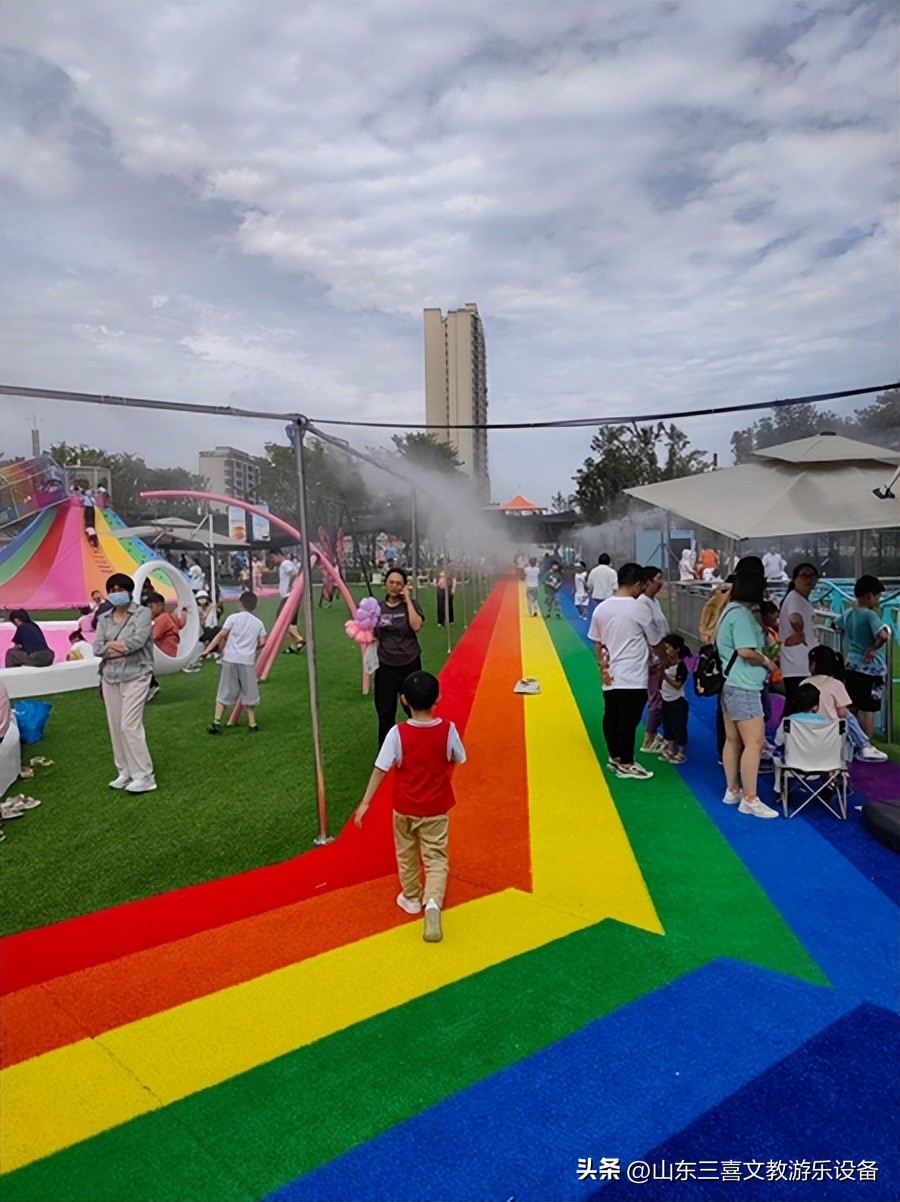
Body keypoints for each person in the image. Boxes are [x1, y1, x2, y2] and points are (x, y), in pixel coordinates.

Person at [354, 669, 466, 944]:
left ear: (403, 700)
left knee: (406, 853)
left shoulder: (397, 733)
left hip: (404, 806)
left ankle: (412, 897)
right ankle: (432, 903)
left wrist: (366, 802)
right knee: (436, 856)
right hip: (436, 807)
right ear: (437, 698)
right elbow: (459, 757)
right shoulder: (447, 729)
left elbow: (380, 768)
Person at [716, 562, 779, 818]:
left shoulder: (730, 610)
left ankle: (733, 789)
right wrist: (766, 661)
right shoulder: (741, 615)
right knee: (754, 742)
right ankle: (750, 798)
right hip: (745, 686)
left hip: (731, 684)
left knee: (733, 740)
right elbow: (745, 651)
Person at [587, 563, 657, 780]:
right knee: (629, 719)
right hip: (633, 674)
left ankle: (615, 756)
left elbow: (597, 642)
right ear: (637, 584)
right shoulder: (638, 608)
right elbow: (654, 639)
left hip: (612, 673)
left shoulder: (602, 608)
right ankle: (626, 762)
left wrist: (603, 666)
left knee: (612, 715)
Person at [93, 573, 156, 793]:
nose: (116, 593)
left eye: (121, 589)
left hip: (136, 674)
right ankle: (124, 771)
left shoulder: (142, 613)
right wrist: (118, 647)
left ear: (129, 591)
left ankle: (144, 775)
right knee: (115, 725)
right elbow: (97, 648)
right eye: (112, 590)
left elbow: (137, 642)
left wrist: (112, 646)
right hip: (110, 676)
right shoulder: (104, 618)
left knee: (130, 724)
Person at [803, 645, 887, 762]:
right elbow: (843, 713)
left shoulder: (803, 684)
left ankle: (864, 745)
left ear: (812, 665)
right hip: (831, 733)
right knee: (847, 717)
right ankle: (864, 745)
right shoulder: (836, 685)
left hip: (807, 731)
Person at [373, 568, 426, 749]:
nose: (394, 587)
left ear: (404, 586)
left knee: (414, 708)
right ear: (385, 583)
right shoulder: (378, 608)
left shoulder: (411, 605)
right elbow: (370, 632)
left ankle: (419, 744)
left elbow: (417, 626)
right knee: (385, 713)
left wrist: (408, 600)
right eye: (391, 582)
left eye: (399, 584)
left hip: (409, 663)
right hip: (386, 666)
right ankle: (387, 752)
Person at [835, 575, 891, 740]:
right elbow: (883, 635)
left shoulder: (849, 613)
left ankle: (854, 739)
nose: (878, 601)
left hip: (852, 665)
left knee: (855, 704)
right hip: (871, 668)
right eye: (878, 596)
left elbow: (835, 625)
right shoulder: (870, 616)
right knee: (869, 708)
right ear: (870, 596)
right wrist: (873, 648)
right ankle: (866, 744)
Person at [202, 592, 267, 733]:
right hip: (247, 661)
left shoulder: (232, 618)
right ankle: (252, 723)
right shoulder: (258, 623)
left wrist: (207, 650)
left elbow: (221, 635)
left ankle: (216, 721)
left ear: (240, 603)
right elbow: (263, 642)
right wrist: (252, 648)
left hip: (230, 659)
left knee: (225, 689)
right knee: (249, 691)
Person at [779, 563, 820, 715]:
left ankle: (785, 736)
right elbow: (795, 618)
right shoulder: (795, 599)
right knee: (797, 707)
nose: (808, 580)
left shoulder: (799, 599)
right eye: (804, 576)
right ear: (794, 579)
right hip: (798, 663)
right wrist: (799, 631)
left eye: (811, 576)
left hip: (797, 662)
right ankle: (785, 736)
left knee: (794, 705)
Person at [638, 566, 670, 754]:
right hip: (654, 659)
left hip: (662, 656)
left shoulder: (654, 601)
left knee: (662, 696)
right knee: (657, 698)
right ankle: (649, 738)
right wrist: (656, 657)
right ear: (647, 582)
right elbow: (648, 633)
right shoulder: (642, 604)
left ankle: (657, 732)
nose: (661, 582)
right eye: (658, 578)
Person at [659, 634, 690, 764]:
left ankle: (681, 752)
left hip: (677, 700)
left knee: (679, 725)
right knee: (668, 724)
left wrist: (664, 677)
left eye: (669, 648)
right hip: (666, 698)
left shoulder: (681, 666)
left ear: (676, 649)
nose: (667, 651)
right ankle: (670, 749)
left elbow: (678, 685)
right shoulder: (667, 662)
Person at [271, 549, 306, 653]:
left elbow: (293, 573)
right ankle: (294, 646)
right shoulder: (286, 563)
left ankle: (299, 639)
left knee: (281, 618)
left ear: (278, 555)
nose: (273, 560)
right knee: (291, 622)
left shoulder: (285, 563)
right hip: (290, 595)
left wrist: (290, 585)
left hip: (288, 596)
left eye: (273, 557)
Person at [435, 558, 456, 626]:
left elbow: (454, 579)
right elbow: (436, 579)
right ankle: (440, 621)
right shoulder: (438, 570)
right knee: (440, 606)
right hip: (440, 589)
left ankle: (450, 620)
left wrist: (453, 589)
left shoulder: (451, 570)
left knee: (449, 605)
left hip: (448, 588)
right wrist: (437, 583)